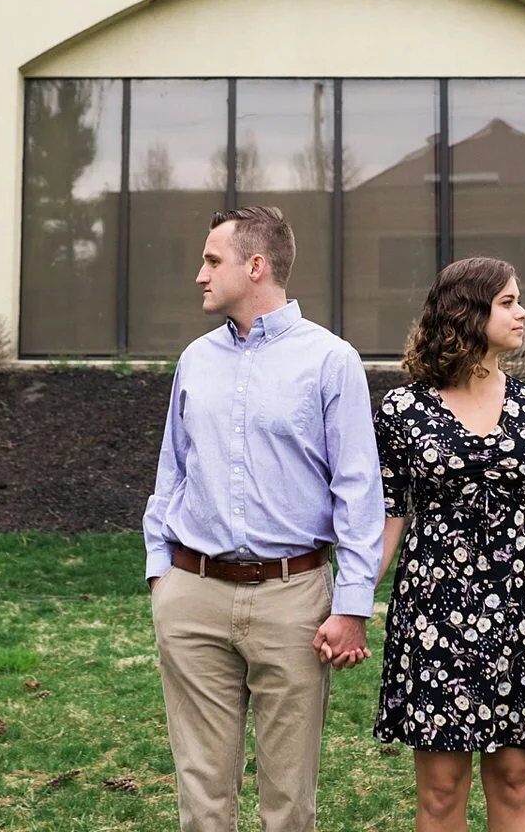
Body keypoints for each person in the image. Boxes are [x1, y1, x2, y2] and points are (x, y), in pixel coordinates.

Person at [143, 205, 385, 832]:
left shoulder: (332, 361)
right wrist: (159, 573)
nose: (199, 274)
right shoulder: (195, 360)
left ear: (255, 267)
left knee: (288, 803)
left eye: (212, 260)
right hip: (191, 598)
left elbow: (359, 492)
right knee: (202, 799)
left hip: (294, 604)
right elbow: (173, 470)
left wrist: (352, 605)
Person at [372, 257, 525, 832]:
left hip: (523, 610)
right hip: (433, 612)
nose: (522, 313)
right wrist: (351, 599)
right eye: (509, 302)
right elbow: (389, 514)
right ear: (467, 313)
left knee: (516, 781)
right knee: (441, 792)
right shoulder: (402, 412)